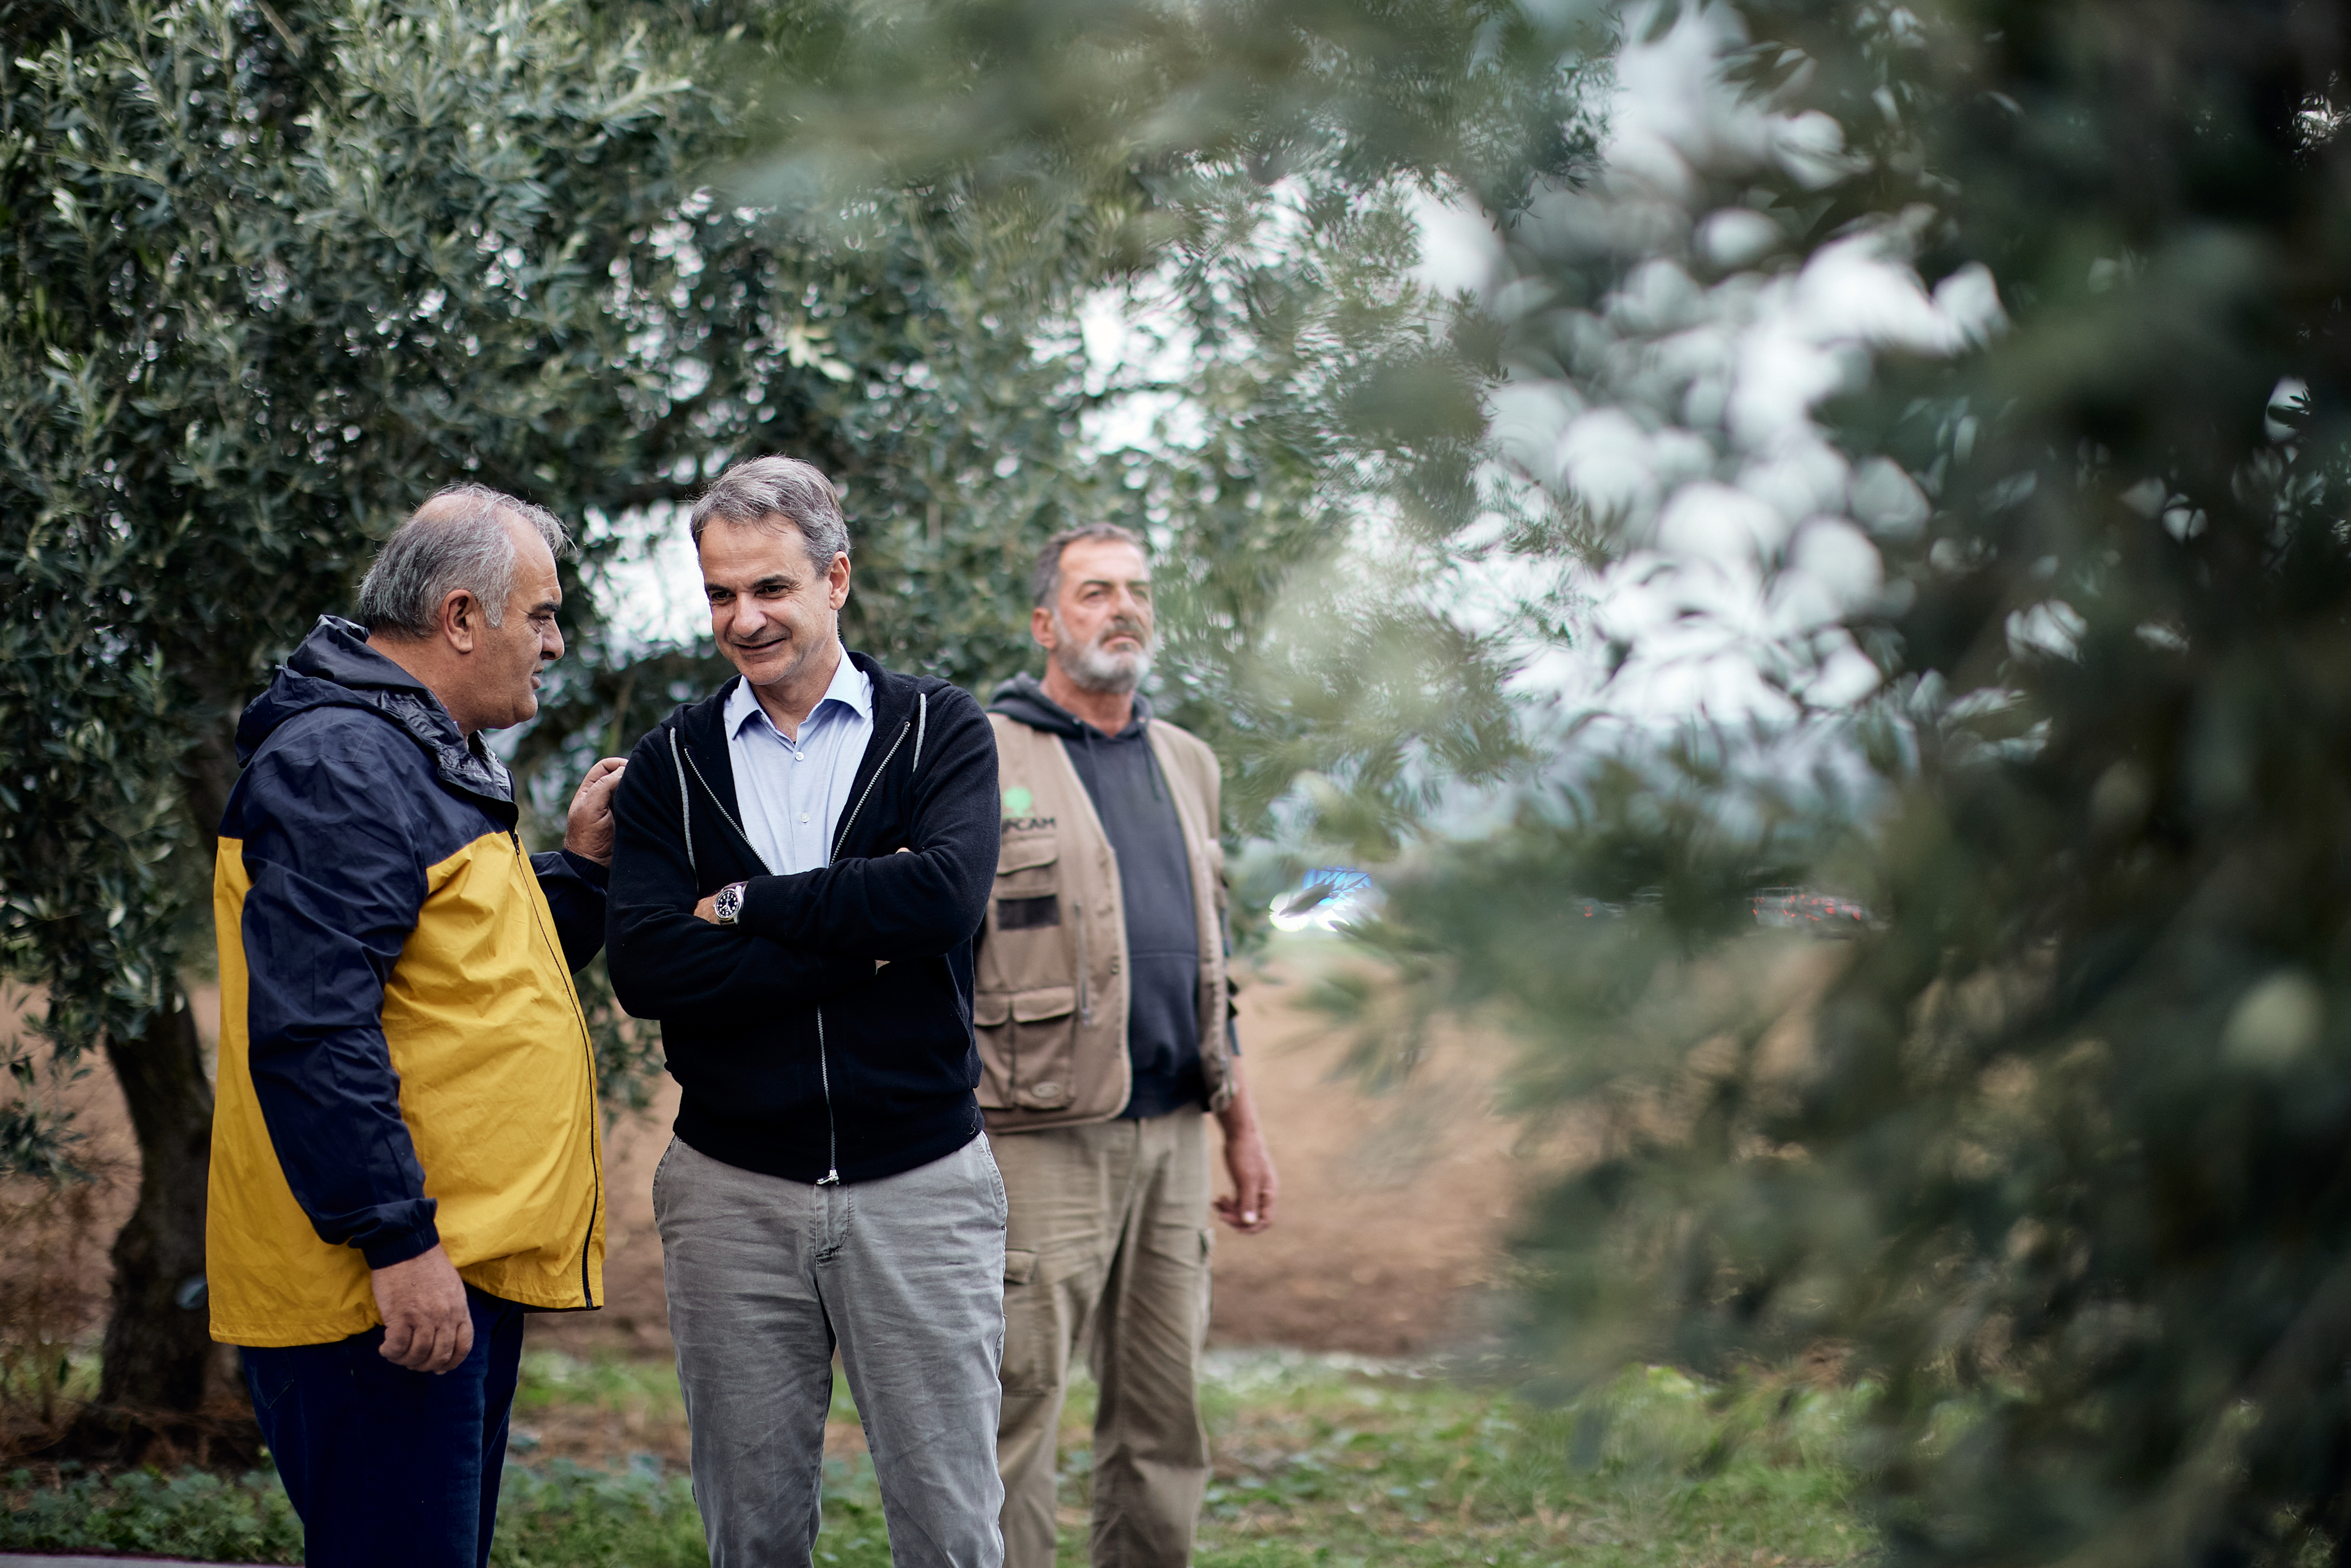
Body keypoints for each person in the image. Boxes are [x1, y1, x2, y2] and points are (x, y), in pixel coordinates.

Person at [207, 485, 629, 1568]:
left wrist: (578, 873)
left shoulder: (415, 754)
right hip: (382, 1294)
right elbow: (315, 1029)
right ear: (458, 617)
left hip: (436, 1272)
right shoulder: (345, 762)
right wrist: (397, 1242)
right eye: (539, 614)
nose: (556, 640)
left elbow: (467, 979)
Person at [603, 455, 1007, 1568]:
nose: (745, 619)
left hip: (920, 1184)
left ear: (836, 578)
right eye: (721, 594)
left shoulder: (940, 731)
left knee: (951, 1528)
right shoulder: (671, 766)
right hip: (731, 1191)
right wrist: (857, 944)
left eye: (770, 588)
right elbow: (647, 967)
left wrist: (740, 906)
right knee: (754, 1531)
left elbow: (939, 900)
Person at [981, 523, 1280, 1568]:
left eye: (1137, 591)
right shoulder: (983, 752)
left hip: (1174, 1135)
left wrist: (1241, 1126)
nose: (1123, 609)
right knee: (1015, 1411)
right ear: (1045, 622)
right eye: (1096, 590)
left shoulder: (1186, 762)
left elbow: (1214, 965)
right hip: (1038, 1139)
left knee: (1165, 1419)